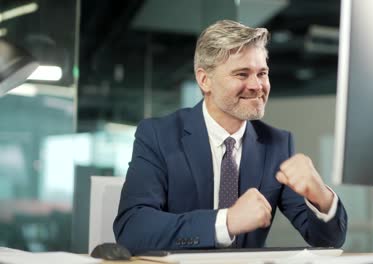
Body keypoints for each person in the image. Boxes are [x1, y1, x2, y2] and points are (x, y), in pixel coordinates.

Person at [113, 20, 347, 255]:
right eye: (242, 74)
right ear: (205, 80)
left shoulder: (278, 144)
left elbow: (328, 241)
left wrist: (322, 197)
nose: (257, 85)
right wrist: (225, 222)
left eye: (262, 73)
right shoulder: (159, 136)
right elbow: (132, 228)